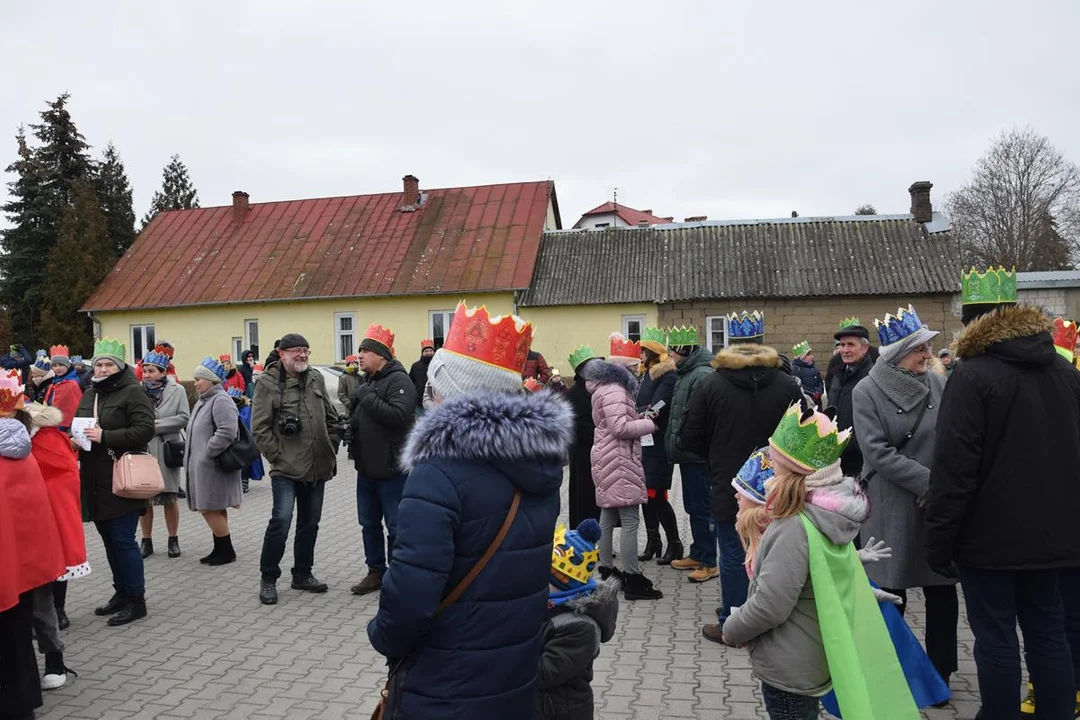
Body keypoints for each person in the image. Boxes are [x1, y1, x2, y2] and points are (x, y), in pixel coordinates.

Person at [368, 301, 570, 718]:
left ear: (448, 390)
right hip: (513, 677)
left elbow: (410, 597)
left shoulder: (437, 475)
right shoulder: (541, 464)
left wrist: (382, 636)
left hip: (446, 684)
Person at [927, 268, 1080, 720]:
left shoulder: (972, 376)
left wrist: (939, 541)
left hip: (989, 538)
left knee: (995, 636)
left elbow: (953, 470)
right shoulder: (1064, 371)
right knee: (1048, 630)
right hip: (1055, 534)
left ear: (973, 325)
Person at [722, 405, 918, 718]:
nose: (769, 467)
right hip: (810, 656)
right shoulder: (825, 517)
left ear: (789, 472)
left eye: (774, 462)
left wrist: (731, 629)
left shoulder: (792, 527)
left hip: (789, 668)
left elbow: (770, 605)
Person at [852, 304, 958, 692]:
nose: (928, 355)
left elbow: (951, 435)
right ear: (898, 354)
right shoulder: (867, 390)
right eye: (920, 350)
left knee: (942, 589)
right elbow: (877, 452)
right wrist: (930, 482)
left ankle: (941, 672)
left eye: (928, 348)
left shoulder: (938, 383)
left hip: (936, 502)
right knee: (890, 589)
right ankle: (889, 667)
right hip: (892, 500)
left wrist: (947, 484)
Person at [680, 310, 803, 639]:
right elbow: (806, 431)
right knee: (778, 552)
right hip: (782, 484)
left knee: (733, 552)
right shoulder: (787, 384)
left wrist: (715, 453)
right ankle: (773, 621)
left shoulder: (712, 384)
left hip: (731, 483)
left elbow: (688, 436)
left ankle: (732, 625)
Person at [253, 333, 343, 605]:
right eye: (296, 351)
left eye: (306, 350)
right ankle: (268, 578)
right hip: (286, 468)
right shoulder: (268, 384)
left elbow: (330, 416)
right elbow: (259, 428)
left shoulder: (314, 377)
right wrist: (277, 456)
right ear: (282, 354)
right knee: (281, 521)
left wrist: (333, 442)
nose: (303, 355)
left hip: (317, 463)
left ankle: (302, 574)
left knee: (310, 523)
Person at [74, 338, 156, 627]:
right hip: (94, 478)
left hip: (123, 476)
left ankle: (137, 600)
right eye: (100, 364)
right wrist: (77, 439)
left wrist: (106, 437)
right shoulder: (90, 392)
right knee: (109, 541)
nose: (104, 368)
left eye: (109, 364)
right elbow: (81, 424)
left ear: (119, 367)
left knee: (123, 541)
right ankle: (120, 593)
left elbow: (145, 430)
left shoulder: (133, 392)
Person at [0, 370, 66, 718]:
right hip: (22, 564)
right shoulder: (22, 449)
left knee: (11, 634)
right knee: (18, 632)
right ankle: (24, 700)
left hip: (8, 563)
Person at [582, 344, 662, 601]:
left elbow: (613, 422)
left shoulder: (604, 387)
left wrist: (637, 415)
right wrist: (648, 423)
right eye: (633, 363)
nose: (638, 365)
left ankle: (607, 569)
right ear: (623, 367)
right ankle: (632, 579)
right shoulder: (616, 389)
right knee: (629, 520)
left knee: (607, 516)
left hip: (607, 456)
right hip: (618, 458)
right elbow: (619, 427)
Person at [348, 324, 416, 596]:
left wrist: (366, 396)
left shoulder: (400, 381)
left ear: (381, 355)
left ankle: (400, 574)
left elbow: (397, 416)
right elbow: (363, 416)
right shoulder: (370, 381)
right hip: (366, 469)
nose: (360, 355)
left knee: (396, 526)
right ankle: (375, 571)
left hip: (391, 470)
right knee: (368, 524)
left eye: (365, 351)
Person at [535, 520, 619, 720]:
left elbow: (544, 673)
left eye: (546, 580)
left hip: (561, 712)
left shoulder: (581, 627)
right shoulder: (550, 602)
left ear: (565, 583)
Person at [664, 326, 718, 582]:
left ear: (684, 351)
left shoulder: (702, 375)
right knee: (692, 506)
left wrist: (687, 441)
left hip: (698, 455)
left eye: (673, 351)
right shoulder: (687, 373)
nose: (670, 356)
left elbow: (700, 418)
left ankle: (709, 560)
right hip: (688, 454)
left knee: (703, 508)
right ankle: (698, 552)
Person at [185, 357, 243, 567]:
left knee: (209, 507)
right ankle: (220, 548)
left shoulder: (220, 400)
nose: (196, 382)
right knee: (214, 507)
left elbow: (228, 431)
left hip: (213, 466)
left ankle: (226, 550)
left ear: (210, 380)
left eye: (199, 378)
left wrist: (209, 450)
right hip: (205, 466)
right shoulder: (205, 400)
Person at [42, 345, 84, 627]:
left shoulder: (68, 386)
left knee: (57, 551)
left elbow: (67, 415)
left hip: (56, 503)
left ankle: (58, 609)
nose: (57, 370)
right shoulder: (52, 385)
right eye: (53, 365)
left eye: (60, 365)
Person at [634, 327, 683, 565]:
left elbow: (660, 403)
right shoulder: (644, 374)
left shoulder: (667, 375)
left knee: (657, 496)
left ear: (654, 353)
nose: (640, 354)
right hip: (644, 440)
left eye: (644, 350)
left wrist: (644, 416)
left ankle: (675, 543)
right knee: (646, 495)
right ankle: (653, 541)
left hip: (658, 441)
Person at [138, 349, 190, 560]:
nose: (147, 375)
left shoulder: (177, 390)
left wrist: (155, 426)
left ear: (162, 372)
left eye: (151, 371)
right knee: (145, 499)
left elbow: (184, 417)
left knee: (169, 498)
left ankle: (173, 539)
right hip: (145, 450)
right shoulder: (136, 391)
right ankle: (146, 540)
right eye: (144, 371)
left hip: (168, 448)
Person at [829, 318, 875, 477]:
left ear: (865, 348)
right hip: (835, 460)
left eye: (850, 345)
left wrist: (850, 444)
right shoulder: (837, 375)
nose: (844, 350)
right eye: (842, 345)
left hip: (859, 463)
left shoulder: (872, 379)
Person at [567, 346, 602, 528]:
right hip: (582, 454)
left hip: (596, 452)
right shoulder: (574, 395)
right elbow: (579, 427)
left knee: (596, 497)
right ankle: (583, 535)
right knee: (584, 496)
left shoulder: (594, 390)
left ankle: (597, 535)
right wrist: (602, 432)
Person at [408, 340, 435, 411]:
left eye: (430, 350)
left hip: (434, 403)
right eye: (426, 351)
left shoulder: (437, 365)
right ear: (422, 353)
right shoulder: (415, 366)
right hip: (419, 403)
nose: (429, 353)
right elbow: (410, 382)